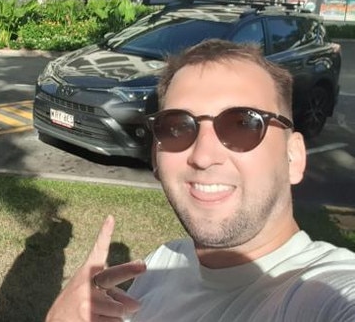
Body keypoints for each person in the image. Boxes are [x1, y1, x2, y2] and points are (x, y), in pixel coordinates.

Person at [46, 39, 355, 321]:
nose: (203, 156)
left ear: (294, 157)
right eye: (177, 127)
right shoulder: (164, 262)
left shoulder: (325, 293)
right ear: (156, 158)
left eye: (242, 124)